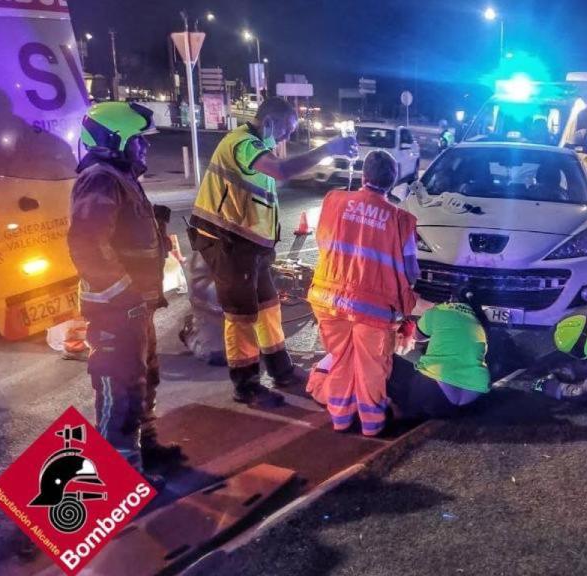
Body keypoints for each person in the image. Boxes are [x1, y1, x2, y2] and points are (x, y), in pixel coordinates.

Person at [188, 98, 356, 408]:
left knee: (268, 307)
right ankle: (246, 385)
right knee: (241, 316)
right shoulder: (242, 144)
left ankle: (281, 369)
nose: (287, 137)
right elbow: (281, 171)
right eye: (286, 130)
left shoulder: (258, 146)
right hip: (228, 243)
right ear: (268, 122)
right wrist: (329, 149)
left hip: (250, 247)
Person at [67, 102, 183, 480]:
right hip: (116, 308)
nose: (145, 147)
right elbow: (87, 243)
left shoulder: (121, 176)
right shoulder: (101, 179)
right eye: (139, 140)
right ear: (115, 140)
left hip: (135, 305)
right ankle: (117, 476)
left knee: (142, 379)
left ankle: (145, 448)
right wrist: (124, 293)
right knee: (119, 387)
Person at [306, 150, 419, 436]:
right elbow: (411, 271)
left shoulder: (334, 201)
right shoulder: (400, 220)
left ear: (363, 175)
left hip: (329, 299)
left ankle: (341, 419)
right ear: (393, 181)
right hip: (374, 308)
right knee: (372, 367)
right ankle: (372, 425)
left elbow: (323, 242)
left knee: (340, 359)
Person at [386, 288, 492, 419]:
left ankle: (401, 412)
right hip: (476, 395)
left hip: (440, 395)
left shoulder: (439, 311)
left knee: (404, 359)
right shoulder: (479, 319)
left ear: (451, 299)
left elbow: (417, 336)